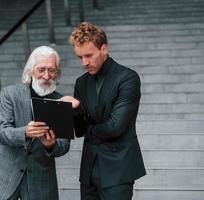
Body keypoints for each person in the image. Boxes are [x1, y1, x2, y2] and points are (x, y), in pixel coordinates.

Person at [65, 22, 146, 200]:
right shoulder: (81, 82)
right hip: (89, 170)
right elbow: (79, 131)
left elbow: (115, 127)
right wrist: (76, 110)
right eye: (80, 57)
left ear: (103, 49)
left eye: (89, 55)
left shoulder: (127, 78)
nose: (84, 62)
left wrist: (89, 129)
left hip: (118, 169)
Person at [0, 46, 71, 200]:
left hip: (41, 183)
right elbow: (2, 132)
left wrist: (50, 145)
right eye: (41, 70)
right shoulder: (10, 94)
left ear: (57, 73)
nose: (46, 76)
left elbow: (64, 145)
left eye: (52, 70)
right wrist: (25, 132)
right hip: (4, 177)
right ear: (31, 71)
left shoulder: (61, 102)